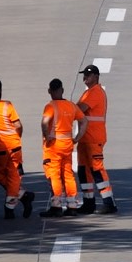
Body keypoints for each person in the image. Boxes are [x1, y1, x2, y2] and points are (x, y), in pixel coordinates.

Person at [0, 78, 34, 219]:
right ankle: (23, 197)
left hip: (0, 149)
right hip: (14, 146)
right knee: (13, 177)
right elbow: (18, 126)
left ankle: (10, 208)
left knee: (0, 177)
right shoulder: (7, 105)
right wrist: (17, 138)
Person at [75, 64, 116, 214]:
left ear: (96, 77)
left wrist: (64, 109)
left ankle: (109, 203)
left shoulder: (96, 92)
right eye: (84, 74)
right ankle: (88, 203)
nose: (85, 77)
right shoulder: (88, 92)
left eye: (88, 75)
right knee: (83, 170)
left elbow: (80, 109)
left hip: (94, 138)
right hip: (85, 138)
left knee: (97, 169)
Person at [40, 77, 83, 216]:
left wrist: (47, 135)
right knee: (68, 174)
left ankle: (56, 206)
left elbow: (45, 122)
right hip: (67, 145)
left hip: (54, 146)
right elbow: (84, 121)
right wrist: (77, 137)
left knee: (54, 175)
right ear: (62, 90)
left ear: (49, 91)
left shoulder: (50, 106)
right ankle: (72, 206)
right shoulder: (71, 106)